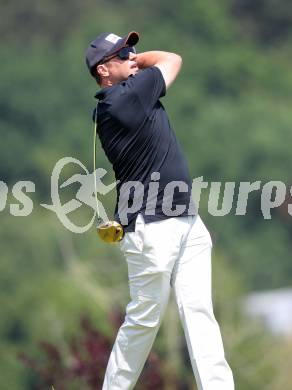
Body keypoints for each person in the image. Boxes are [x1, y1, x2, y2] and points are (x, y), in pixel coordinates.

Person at [85, 31, 234, 390]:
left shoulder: (130, 92)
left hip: (186, 220)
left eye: (133, 51)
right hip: (151, 228)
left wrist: (132, 59)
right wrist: (143, 60)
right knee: (143, 321)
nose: (133, 57)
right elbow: (173, 59)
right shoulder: (123, 99)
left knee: (200, 315)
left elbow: (167, 61)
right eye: (124, 55)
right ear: (104, 71)